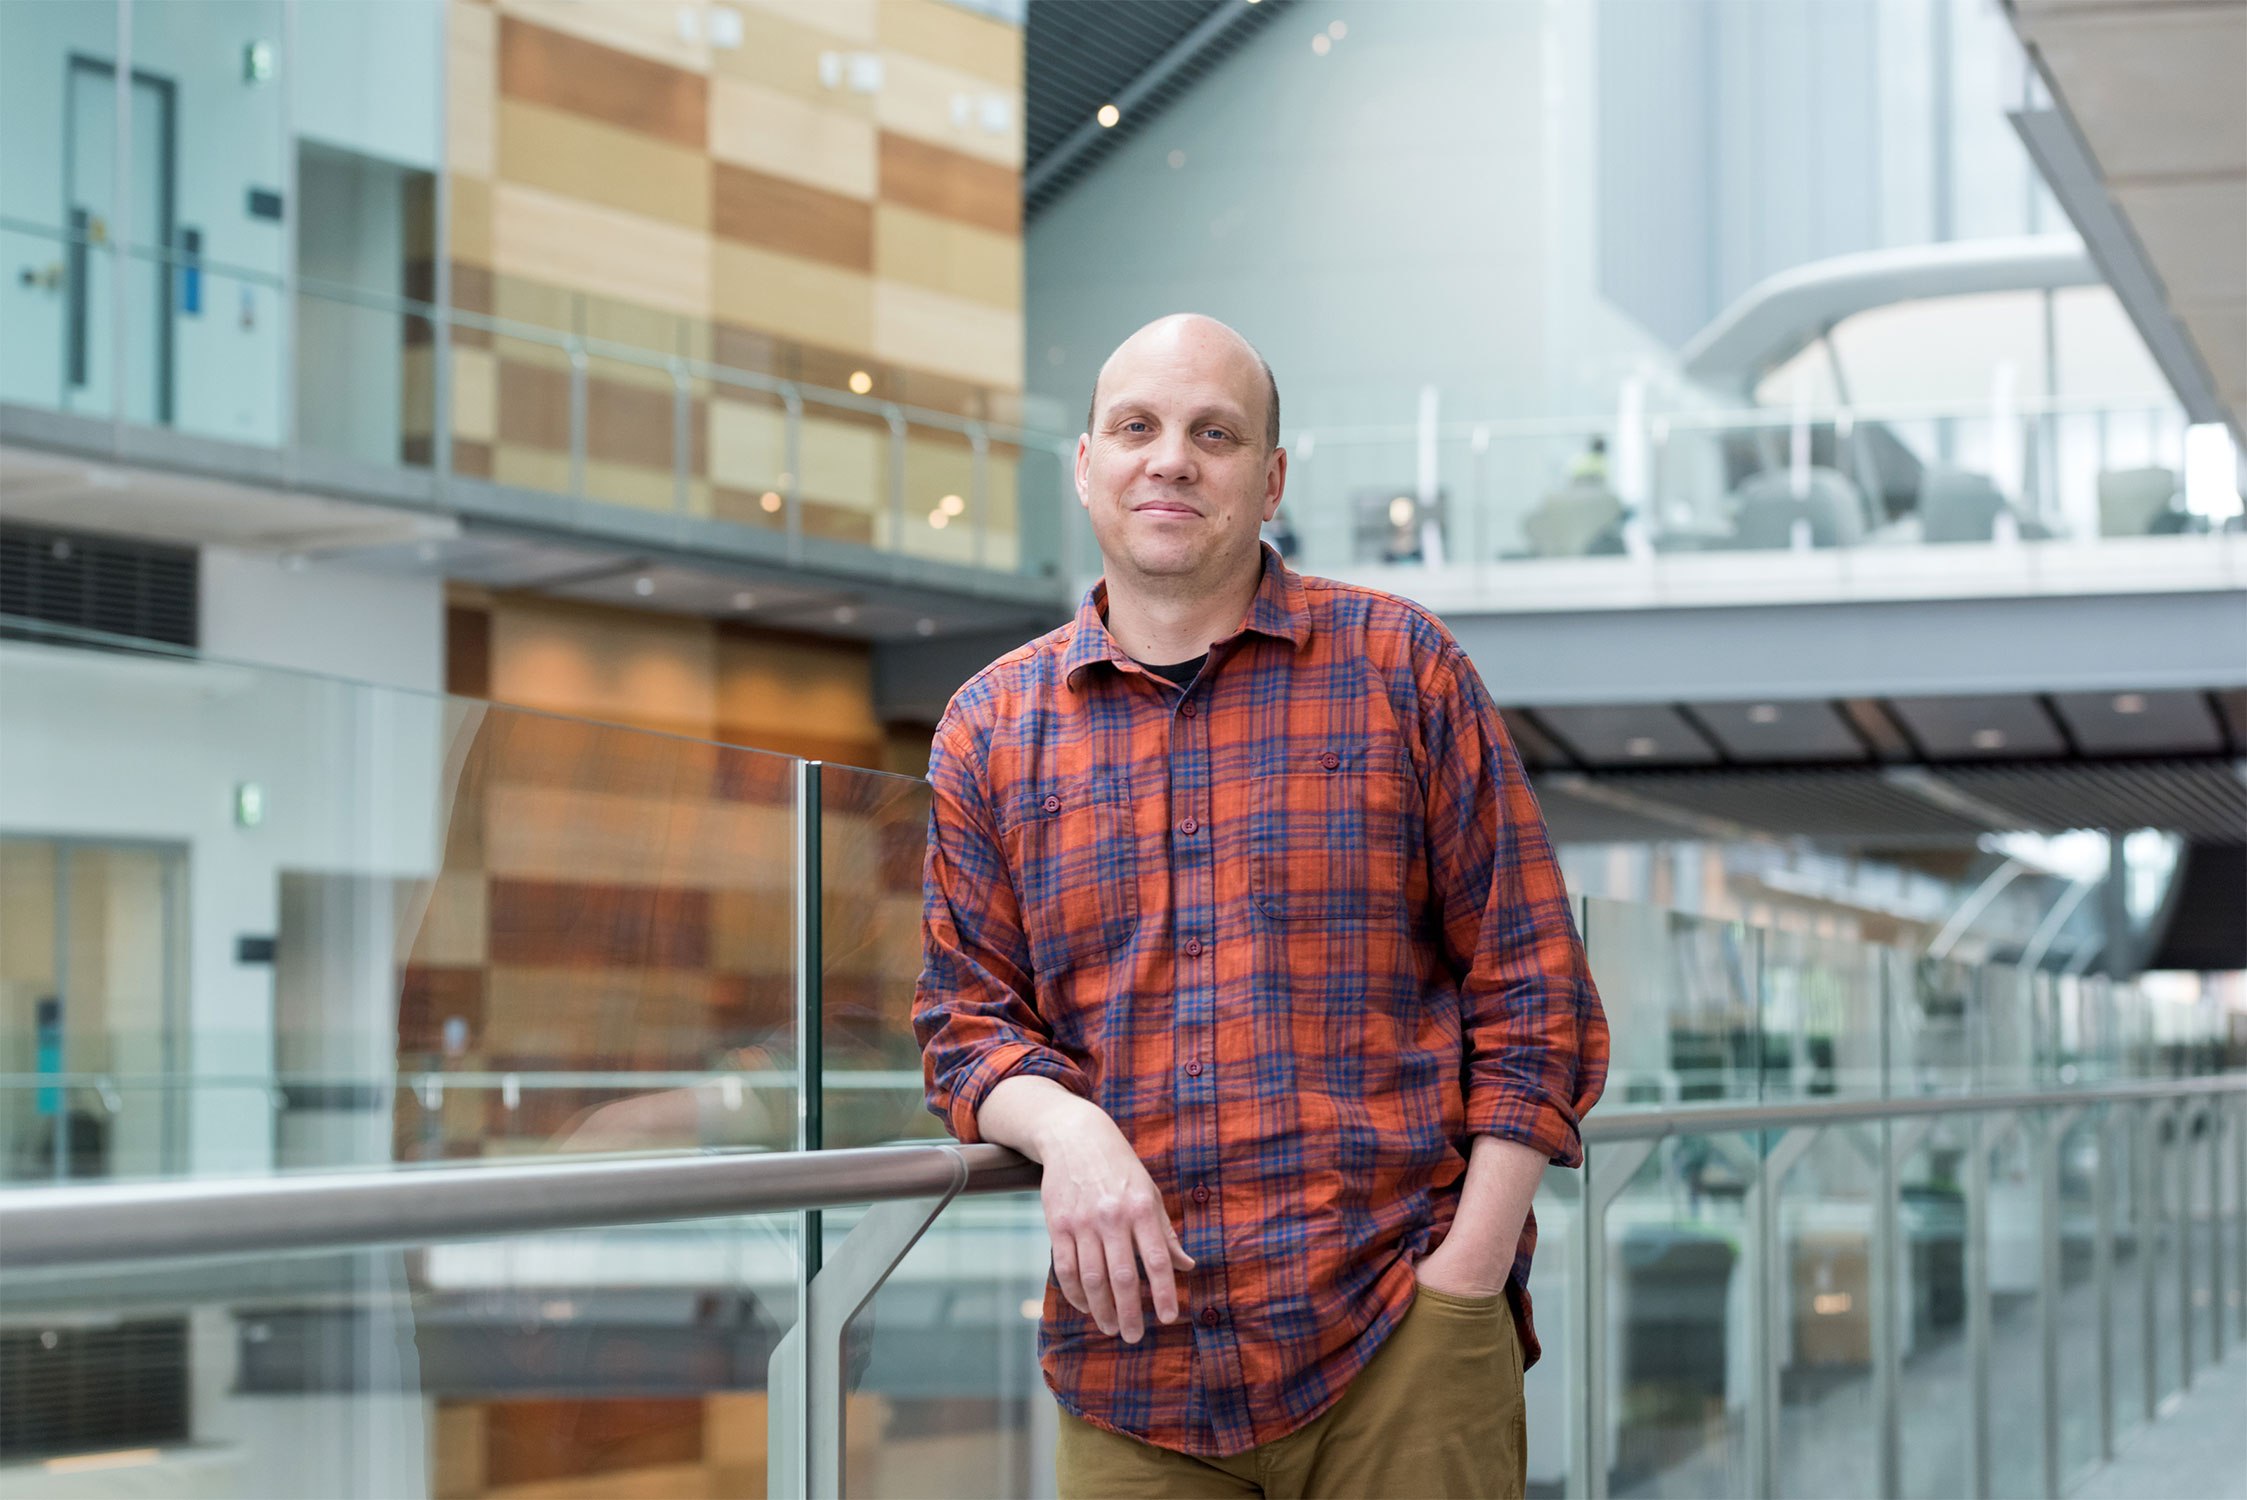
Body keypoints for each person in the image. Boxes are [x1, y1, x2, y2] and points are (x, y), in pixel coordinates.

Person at [913, 314, 1607, 1498]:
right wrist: (1068, 1131)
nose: (1170, 458)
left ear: (1271, 478)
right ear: (1085, 464)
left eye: (1214, 433)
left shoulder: (1405, 670)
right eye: (1136, 427)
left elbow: (1537, 992)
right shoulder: (990, 728)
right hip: (1135, 1370)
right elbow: (964, 1021)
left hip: (1402, 1341)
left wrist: (1469, 1272)